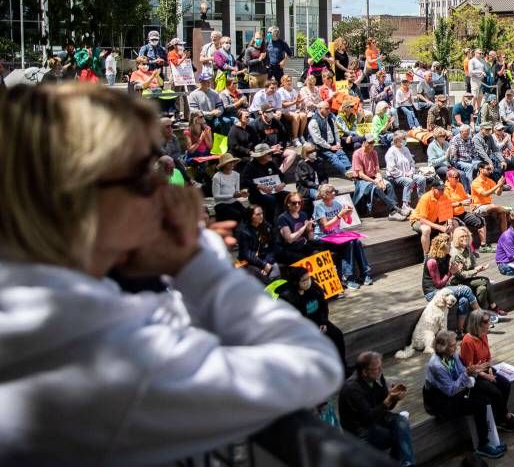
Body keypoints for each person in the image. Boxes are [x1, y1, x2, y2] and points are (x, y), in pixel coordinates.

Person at [0, 83, 342, 463]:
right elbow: (312, 363)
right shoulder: (104, 354)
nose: (161, 191)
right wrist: (193, 260)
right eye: (141, 175)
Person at [458, 309, 514, 432]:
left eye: (489, 320)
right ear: (477, 323)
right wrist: (486, 376)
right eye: (486, 321)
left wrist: (490, 369)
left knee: (505, 384)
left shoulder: (484, 335)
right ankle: (506, 417)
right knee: (495, 391)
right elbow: (469, 367)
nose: (489, 323)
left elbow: (488, 356)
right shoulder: (467, 341)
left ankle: (501, 417)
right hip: (474, 377)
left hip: (486, 370)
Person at [338, 351, 415, 467]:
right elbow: (367, 417)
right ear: (364, 372)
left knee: (402, 422)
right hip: (360, 429)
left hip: (376, 418)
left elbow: (386, 407)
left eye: (381, 366)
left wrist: (394, 398)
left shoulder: (377, 378)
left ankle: (408, 464)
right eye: (377, 368)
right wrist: (388, 400)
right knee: (396, 435)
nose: (381, 370)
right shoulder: (352, 388)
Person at [279, 265, 347, 365]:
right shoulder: (288, 297)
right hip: (301, 330)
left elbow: (323, 305)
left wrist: (323, 322)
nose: (308, 281)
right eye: (304, 280)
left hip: (318, 322)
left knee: (337, 335)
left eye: (308, 278)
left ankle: (342, 367)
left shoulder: (313, 287)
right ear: (296, 282)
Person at [421, 233, 480, 337]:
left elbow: (450, 275)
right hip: (433, 292)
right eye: (449, 244)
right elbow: (438, 284)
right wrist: (450, 272)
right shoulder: (432, 261)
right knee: (466, 289)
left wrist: (458, 269)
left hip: (444, 289)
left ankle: (459, 331)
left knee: (464, 300)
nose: (451, 246)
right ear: (442, 246)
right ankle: (481, 316)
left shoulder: (447, 257)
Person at [312, 184, 372, 287]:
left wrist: (348, 214)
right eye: (331, 191)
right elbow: (326, 227)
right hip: (323, 238)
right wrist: (339, 215)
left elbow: (348, 222)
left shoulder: (336, 204)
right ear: (324, 195)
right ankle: (347, 277)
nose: (334, 193)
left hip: (336, 236)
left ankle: (365, 273)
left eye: (334, 190)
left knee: (356, 241)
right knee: (349, 243)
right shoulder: (319, 207)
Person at [450, 226, 507, 318]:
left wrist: (479, 268)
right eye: (462, 236)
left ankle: (480, 315)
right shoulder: (455, 254)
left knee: (482, 289)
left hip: (469, 278)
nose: (465, 238)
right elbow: (460, 275)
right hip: (458, 282)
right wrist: (475, 270)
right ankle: (493, 307)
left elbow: (471, 266)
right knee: (485, 280)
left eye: (466, 236)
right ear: (456, 238)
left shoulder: (467, 248)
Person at [352, 137, 404, 220]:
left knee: (389, 185)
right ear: (364, 143)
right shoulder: (357, 154)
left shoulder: (374, 152)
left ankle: (393, 212)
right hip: (361, 181)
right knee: (377, 188)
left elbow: (377, 171)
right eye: (369, 142)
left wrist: (380, 180)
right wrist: (375, 182)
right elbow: (361, 175)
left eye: (373, 142)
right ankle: (396, 209)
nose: (371, 145)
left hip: (374, 177)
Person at [240, 143, 289, 218]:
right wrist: (259, 186)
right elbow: (244, 180)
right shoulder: (251, 166)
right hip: (256, 194)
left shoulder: (271, 164)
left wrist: (283, 183)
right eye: (268, 153)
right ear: (261, 155)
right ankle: (271, 221)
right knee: (271, 199)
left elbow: (282, 176)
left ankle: (285, 218)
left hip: (273, 190)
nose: (271, 154)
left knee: (288, 196)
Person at [235, 205, 281, 282]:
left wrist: (267, 262)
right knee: (263, 277)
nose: (261, 216)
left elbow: (272, 247)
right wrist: (263, 265)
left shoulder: (267, 226)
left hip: (265, 258)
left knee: (276, 270)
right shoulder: (243, 231)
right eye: (258, 214)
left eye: (262, 213)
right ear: (250, 216)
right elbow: (247, 254)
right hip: (250, 262)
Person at [308, 100, 353, 176]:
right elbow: (318, 140)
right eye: (326, 108)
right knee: (334, 157)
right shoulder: (314, 121)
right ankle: (347, 172)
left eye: (329, 108)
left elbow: (336, 132)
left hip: (332, 144)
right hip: (320, 147)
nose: (329, 110)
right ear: (320, 109)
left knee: (341, 153)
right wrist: (330, 147)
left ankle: (350, 169)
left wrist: (338, 143)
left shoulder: (330, 118)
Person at [276, 190, 317, 264]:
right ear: (288, 204)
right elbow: (290, 239)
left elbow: (310, 237)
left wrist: (310, 229)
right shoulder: (283, 218)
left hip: (302, 246)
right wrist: (304, 227)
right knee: (307, 262)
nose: (297, 205)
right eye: (294, 203)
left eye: (299, 202)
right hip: (289, 249)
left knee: (318, 255)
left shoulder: (303, 214)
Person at [211, 152, 247, 223]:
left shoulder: (236, 175)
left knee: (246, 213)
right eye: (229, 163)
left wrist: (241, 193)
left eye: (233, 162)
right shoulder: (217, 177)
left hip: (233, 202)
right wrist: (232, 195)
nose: (232, 164)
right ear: (224, 165)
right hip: (221, 204)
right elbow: (216, 196)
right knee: (236, 215)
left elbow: (236, 191)